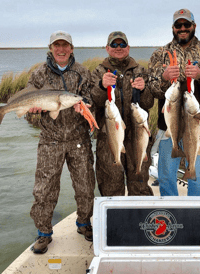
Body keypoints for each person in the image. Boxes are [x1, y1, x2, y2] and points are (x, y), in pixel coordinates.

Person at [28, 31, 95, 254]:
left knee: (85, 185)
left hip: (79, 139)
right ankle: (43, 233)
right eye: (57, 45)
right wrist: (35, 111)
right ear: (51, 48)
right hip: (50, 140)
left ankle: (84, 223)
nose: (61, 50)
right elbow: (29, 112)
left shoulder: (83, 72)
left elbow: (91, 101)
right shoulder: (39, 74)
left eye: (65, 45)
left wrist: (84, 106)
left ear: (72, 48)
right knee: (44, 189)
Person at [148, 8, 200, 196]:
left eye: (186, 25)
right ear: (173, 28)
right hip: (169, 125)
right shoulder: (160, 54)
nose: (182, 28)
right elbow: (153, 90)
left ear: (194, 26)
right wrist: (164, 78)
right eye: (178, 25)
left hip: (197, 122)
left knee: (197, 175)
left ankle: (197, 216)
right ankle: (170, 215)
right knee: (166, 174)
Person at [91, 31, 154, 196]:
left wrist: (144, 89)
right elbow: (94, 102)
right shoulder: (98, 72)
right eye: (114, 44)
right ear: (107, 48)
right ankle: (114, 220)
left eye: (122, 44)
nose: (118, 48)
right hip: (109, 139)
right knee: (111, 187)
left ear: (128, 47)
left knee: (140, 185)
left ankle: (141, 220)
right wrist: (101, 86)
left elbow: (148, 104)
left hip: (138, 137)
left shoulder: (140, 70)